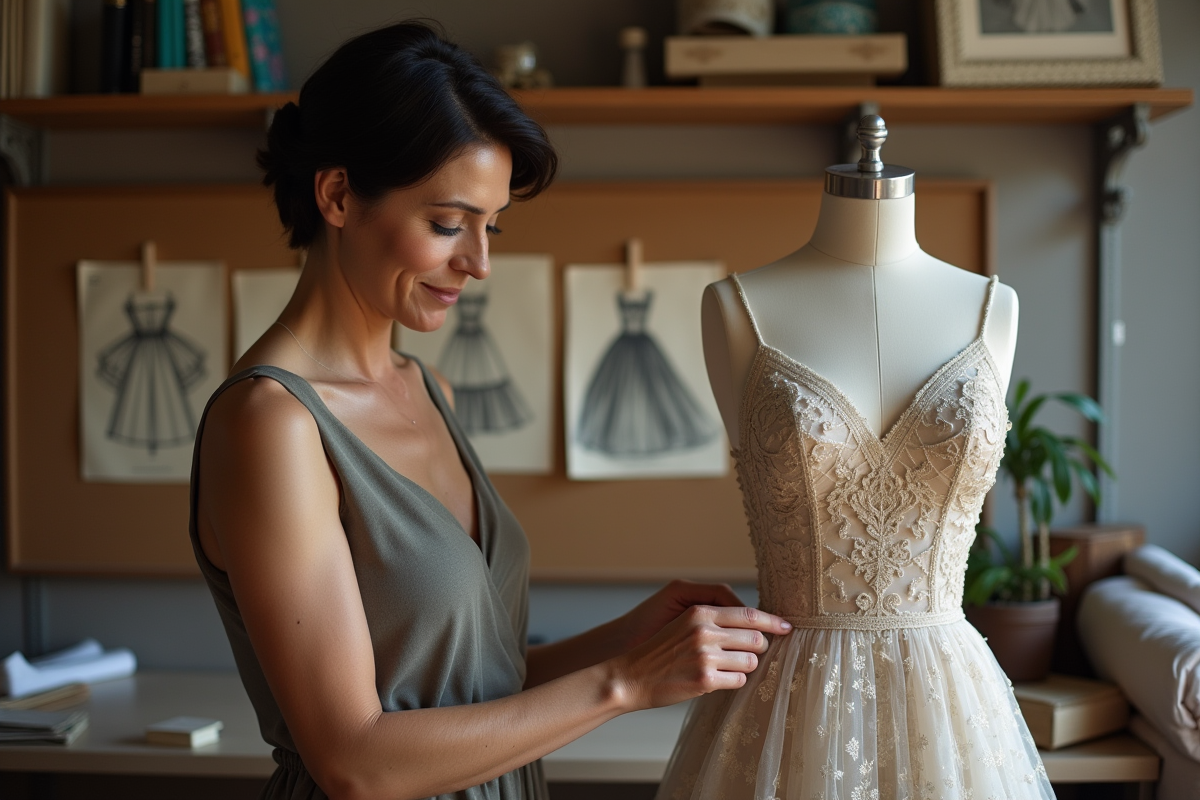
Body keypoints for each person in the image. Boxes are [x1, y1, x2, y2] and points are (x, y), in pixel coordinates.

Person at [189, 21, 792, 800]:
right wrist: (625, 682)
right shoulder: (270, 425)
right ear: (337, 196)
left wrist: (632, 640)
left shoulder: (429, 391)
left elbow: (467, 689)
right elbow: (354, 760)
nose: (478, 263)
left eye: (490, 226)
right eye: (447, 225)